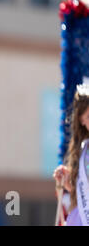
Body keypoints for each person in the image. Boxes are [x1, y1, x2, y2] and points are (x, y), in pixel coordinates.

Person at [53, 84, 89, 226]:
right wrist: (67, 182)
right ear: (82, 121)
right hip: (81, 217)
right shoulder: (83, 150)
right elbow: (82, 194)